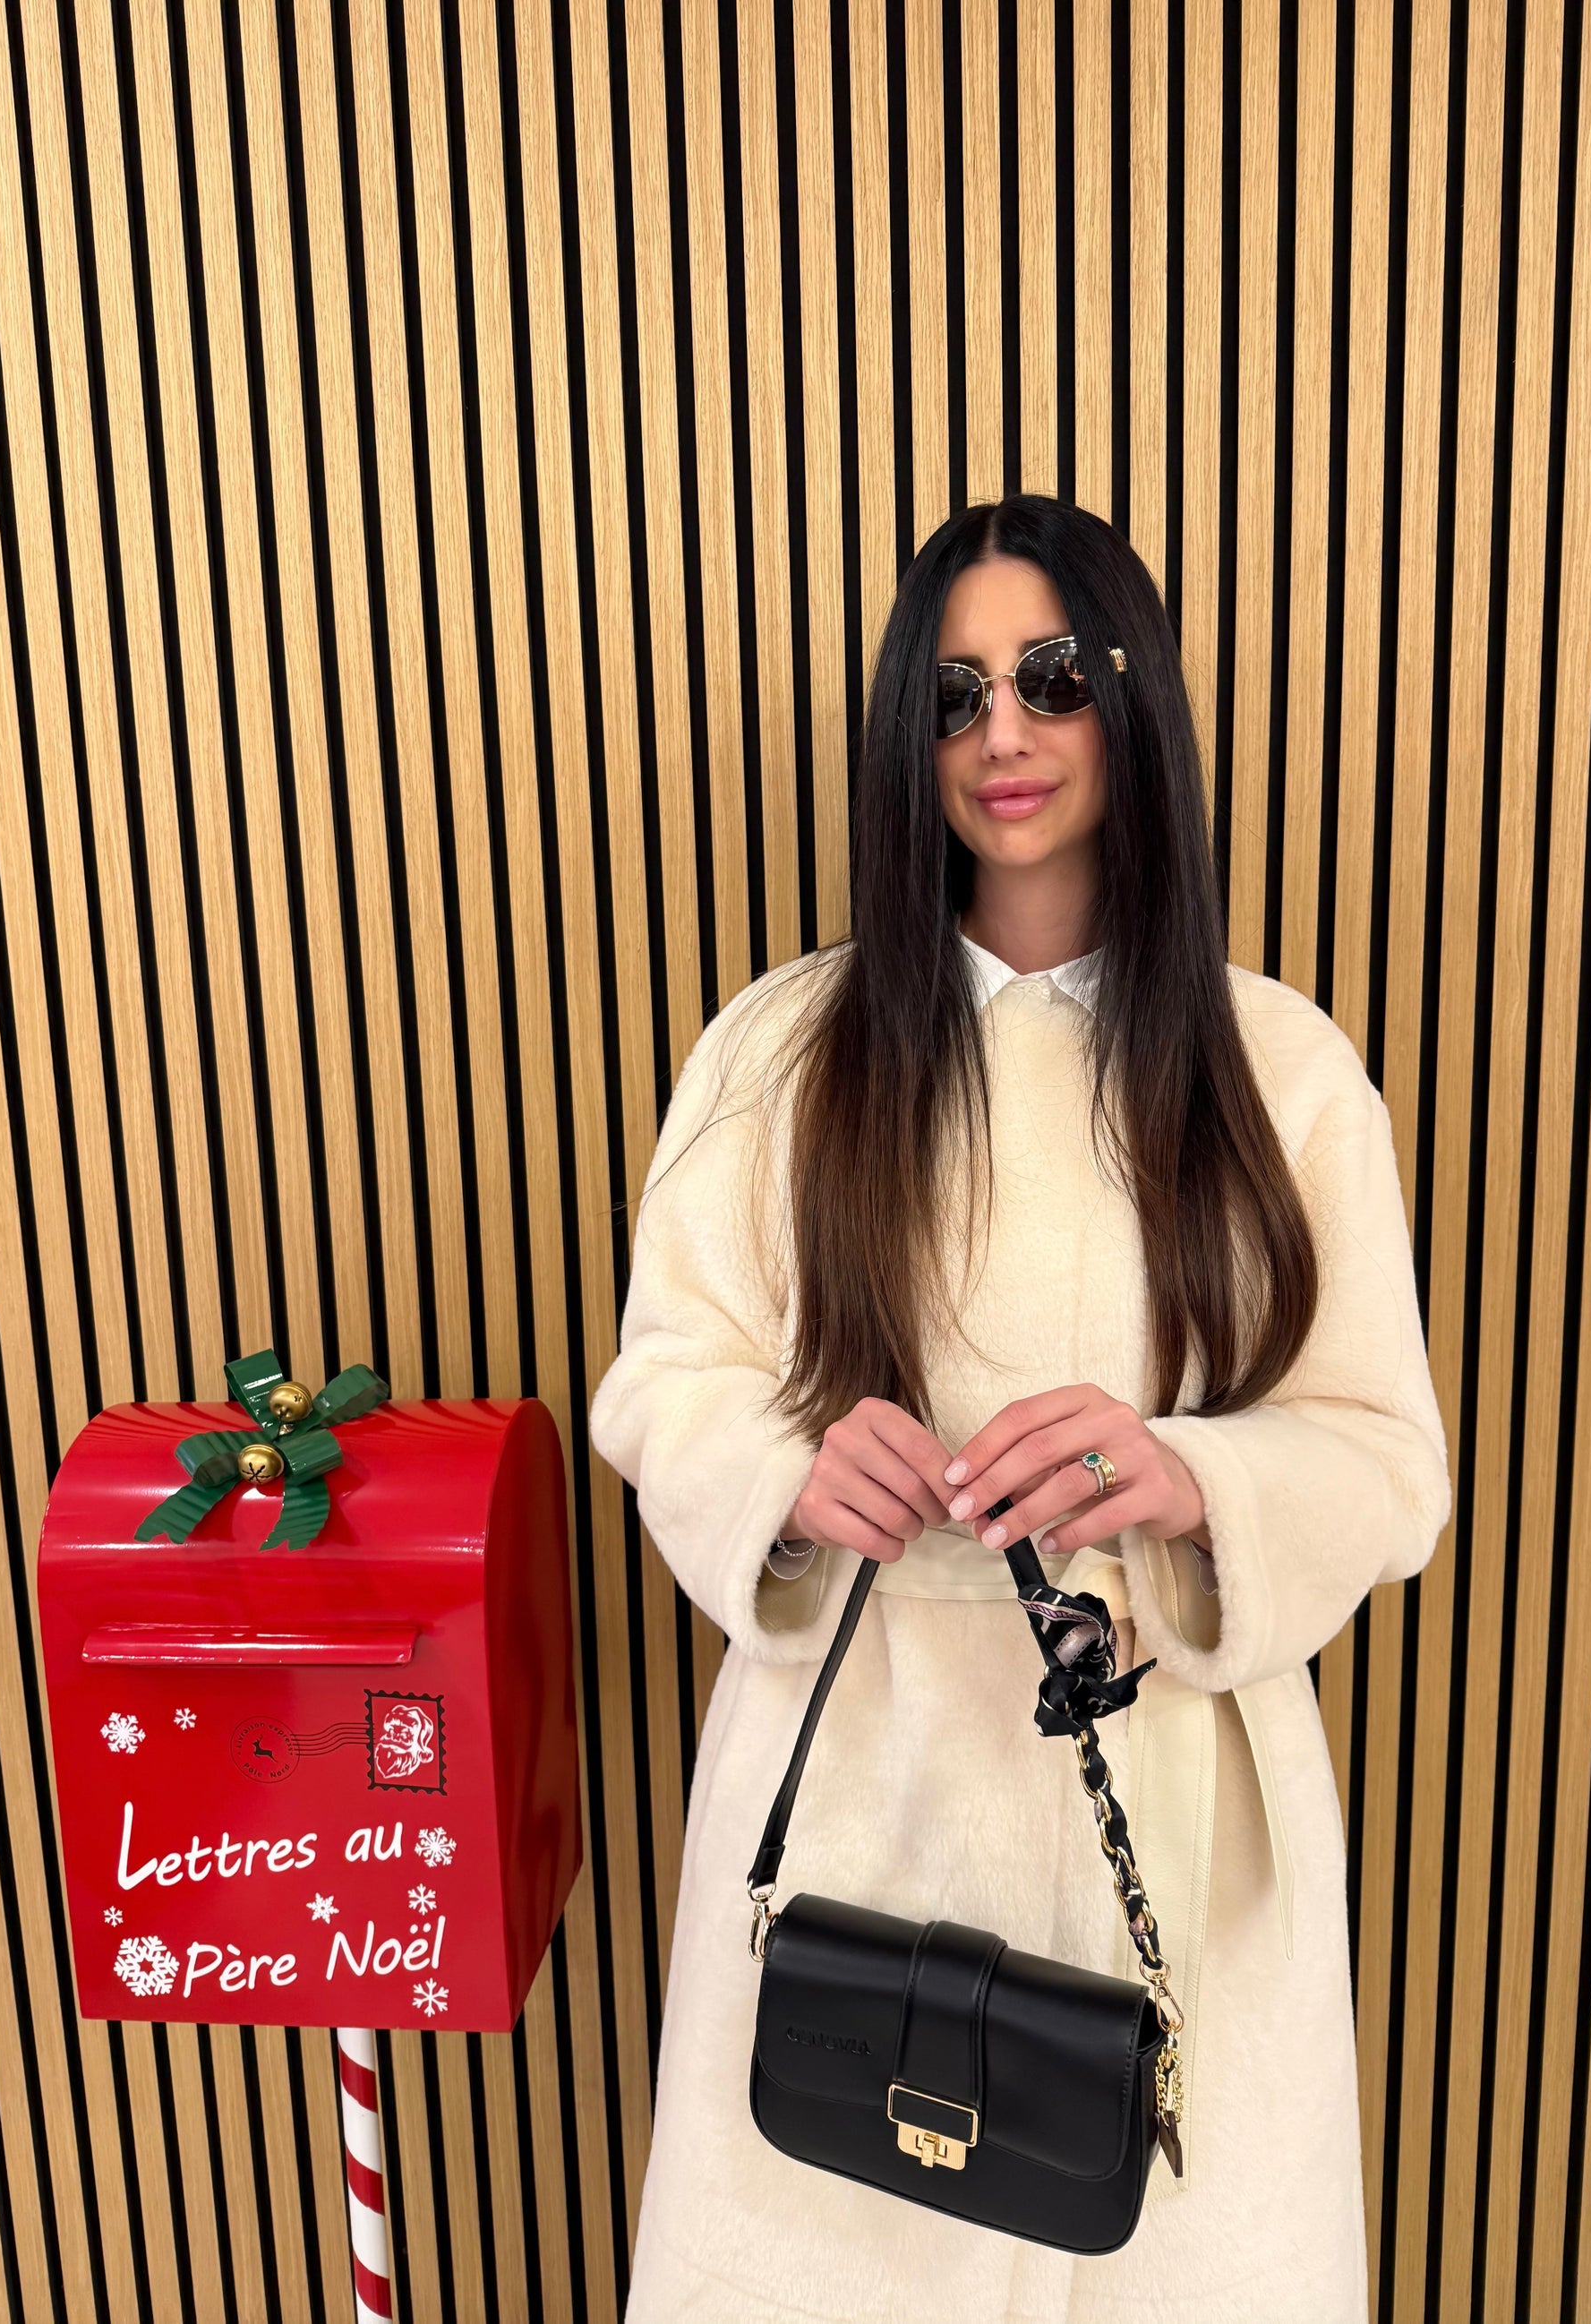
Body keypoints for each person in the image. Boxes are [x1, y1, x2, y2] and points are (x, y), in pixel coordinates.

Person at [588, 492, 1451, 2323]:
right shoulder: (783, 1051)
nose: (1004, 731)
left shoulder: (1278, 1070)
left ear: (1128, 701)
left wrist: (1189, 1473)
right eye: (954, 691)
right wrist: (786, 1472)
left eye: (1053, 676)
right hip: (857, 1787)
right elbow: (664, 1377)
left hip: (1178, 1795)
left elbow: (1386, 1454)